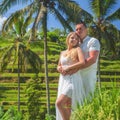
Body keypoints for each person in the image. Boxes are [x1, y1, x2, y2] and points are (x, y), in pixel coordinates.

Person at [56, 32, 85, 120]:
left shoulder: (78, 50)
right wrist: (59, 69)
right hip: (64, 80)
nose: (74, 40)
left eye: (76, 39)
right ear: (68, 39)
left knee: (59, 103)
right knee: (67, 105)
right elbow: (58, 65)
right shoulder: (62, 52)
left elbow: (82, 62)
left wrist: (68, 68)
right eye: (72, 38)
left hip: (73, 79)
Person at [68, 22, 100, 99]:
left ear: (86, 30)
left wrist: (75, 68)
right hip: (75, 76)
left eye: (80, 29)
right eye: (76, 29)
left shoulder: (93, 41)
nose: (78, 31)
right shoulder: (75, 43)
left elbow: (92, 59)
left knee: (88, 99)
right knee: (75, 101)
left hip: (88, 76)